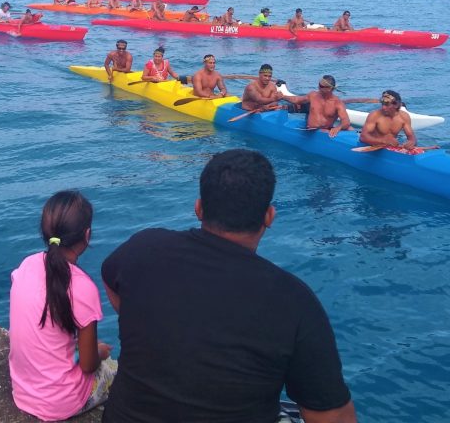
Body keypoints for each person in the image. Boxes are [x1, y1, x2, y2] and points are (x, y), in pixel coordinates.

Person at [100, 149, 356, 423]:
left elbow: (109, 278)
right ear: (269, 217)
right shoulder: (294, 301)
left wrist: (147, 322)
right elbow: (332, 416)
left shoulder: (143, 247)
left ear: (198, 208)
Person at [9, 191, 116, 420]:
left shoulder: (26, 265)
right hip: (60, 403)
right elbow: (88, 366)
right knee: (118, 372)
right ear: (87, 235)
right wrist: (99, 352)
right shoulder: (83, 287)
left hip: (22, 392)